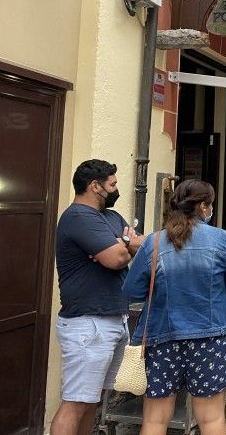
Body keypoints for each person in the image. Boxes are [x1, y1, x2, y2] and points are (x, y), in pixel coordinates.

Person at [122, 179, 226, 435]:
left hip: (162, 339)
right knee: (211, 420)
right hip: (209, 338)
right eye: (209, 204)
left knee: (155, 421)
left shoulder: (154, 243)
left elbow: (132, 291)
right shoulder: (221, 239)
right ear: (204, 206)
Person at [51, 159, 145, 435]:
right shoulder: (79, 217)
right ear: (95, 186)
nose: (117, 189)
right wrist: (123, 245)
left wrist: (124, 245)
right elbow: (117, 259)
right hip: (88, 323)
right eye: (113, 184)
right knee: (76, 402)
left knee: (92, 400)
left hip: (113, 318)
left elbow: (139, 246)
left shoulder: (111, 217)